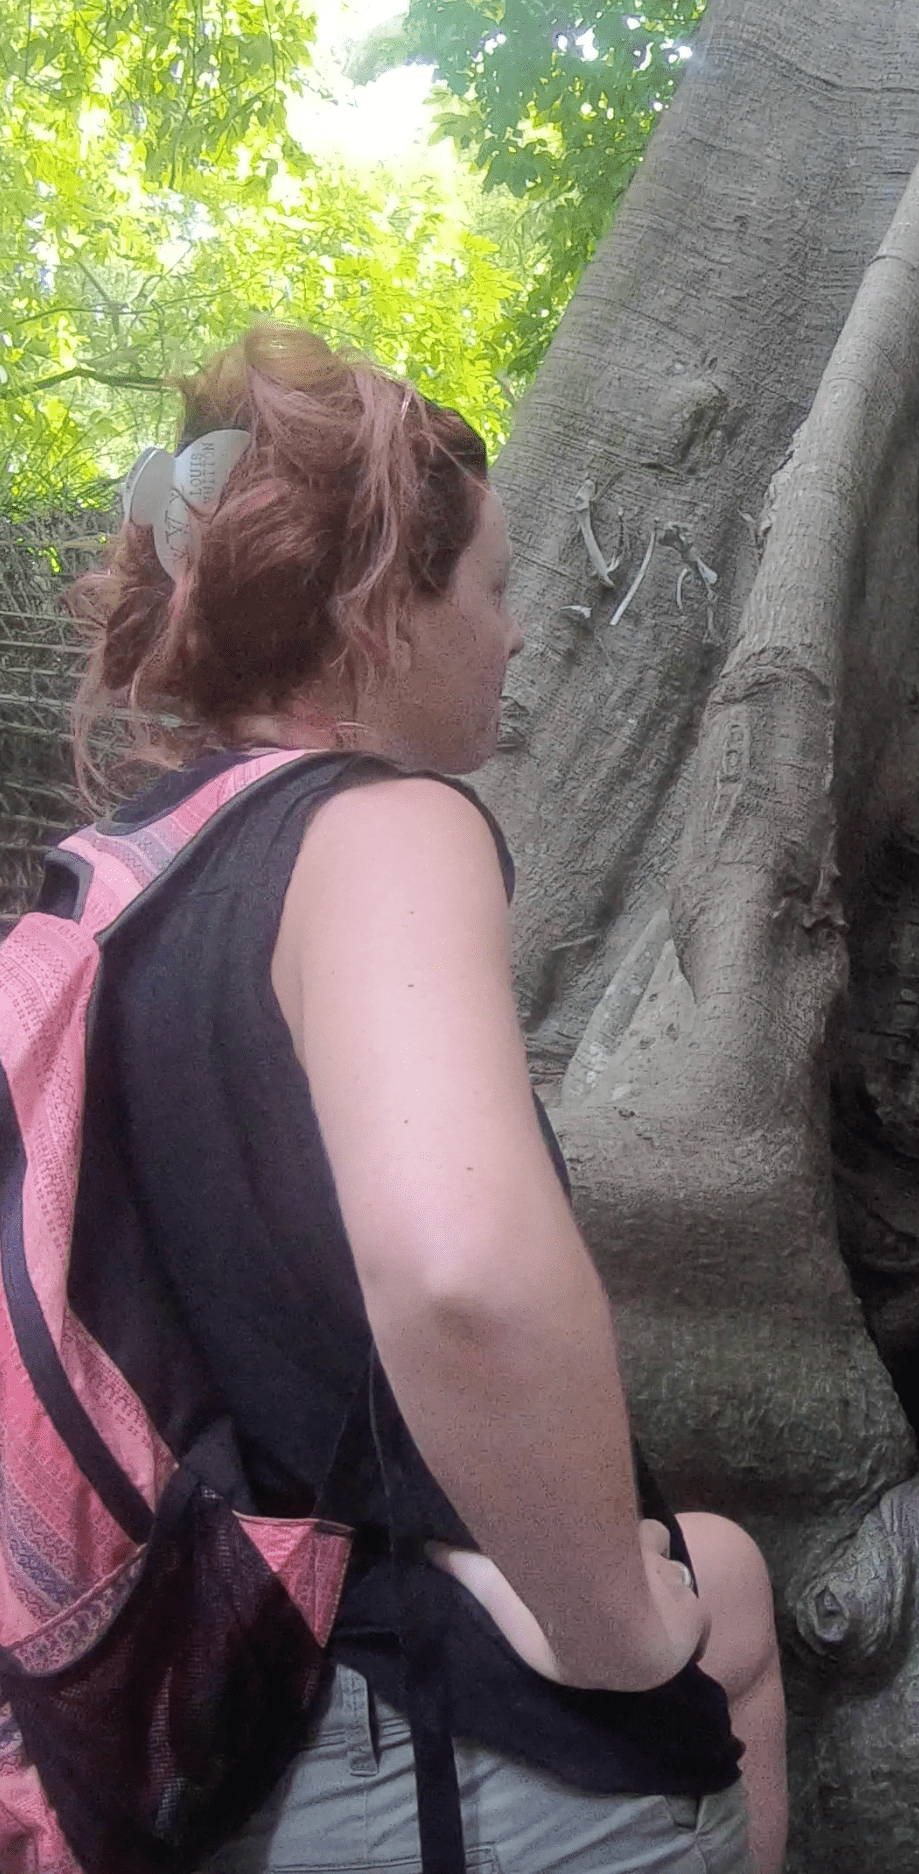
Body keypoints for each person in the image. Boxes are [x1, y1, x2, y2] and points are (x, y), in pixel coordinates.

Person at [62, 325, 785, 1874]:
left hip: (215, 1718)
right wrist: (603, 1625)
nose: (517, 636)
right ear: (386, 610)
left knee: (723, 1567)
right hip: (446, 1763)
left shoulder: (129, 888)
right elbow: (463, 1277)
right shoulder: (389, 831)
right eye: (496, 588)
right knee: (676, 1614)